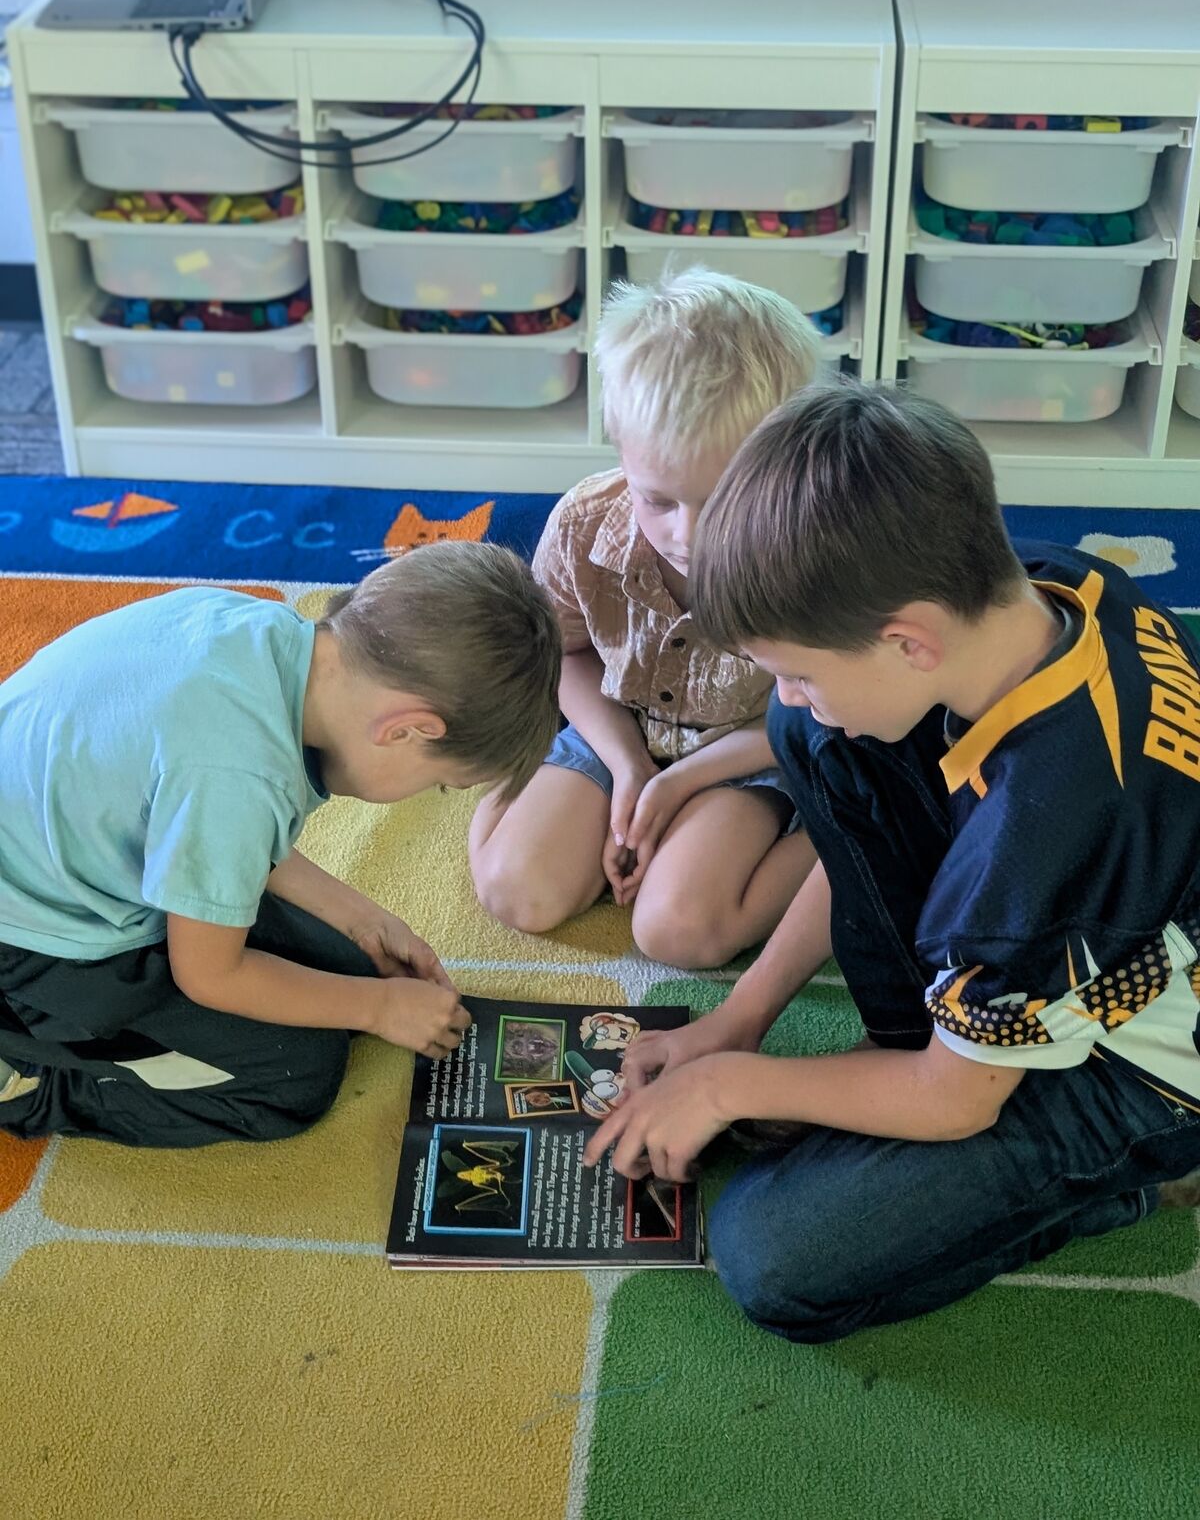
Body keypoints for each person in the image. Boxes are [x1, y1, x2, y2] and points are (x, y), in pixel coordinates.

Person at [584, 379, 1200, 1342]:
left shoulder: (1031, 864)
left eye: (799, 663)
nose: (788, 691)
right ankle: (911, 1045)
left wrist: (730, 1085)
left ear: (907, 640)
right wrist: (744, 1020)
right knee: (817, 734)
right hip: (1077, 919)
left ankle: (1130, 1187)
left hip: (1146, 1071)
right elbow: (846, 775)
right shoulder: (1042, 586)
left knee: (773, 1257)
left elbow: (955, 1103)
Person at [0, 543, 560, 1148]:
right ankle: (32, 1081)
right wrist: (377, 1009)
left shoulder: (266, 636)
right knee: (295, 1075)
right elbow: (210, 975)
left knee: (349, 965)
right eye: (441, 785)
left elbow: (218, 831)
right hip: (34, 943)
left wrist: (361, 917)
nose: (430, 796)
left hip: (66, 849)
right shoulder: (238, 772)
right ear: (405, 730)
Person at [470, 268, 822, 968]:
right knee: (519, 893)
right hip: (615, 733)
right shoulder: (583, 521)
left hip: (754, 756)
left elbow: (818, 711)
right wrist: (630, 768)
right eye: (657, 500)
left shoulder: (814, 549)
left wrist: (680, 783)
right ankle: (546, 799)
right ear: (623, 455)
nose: (687, 535)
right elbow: (565, 655)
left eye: (722, 501)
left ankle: (841, 841)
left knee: (678, 933)